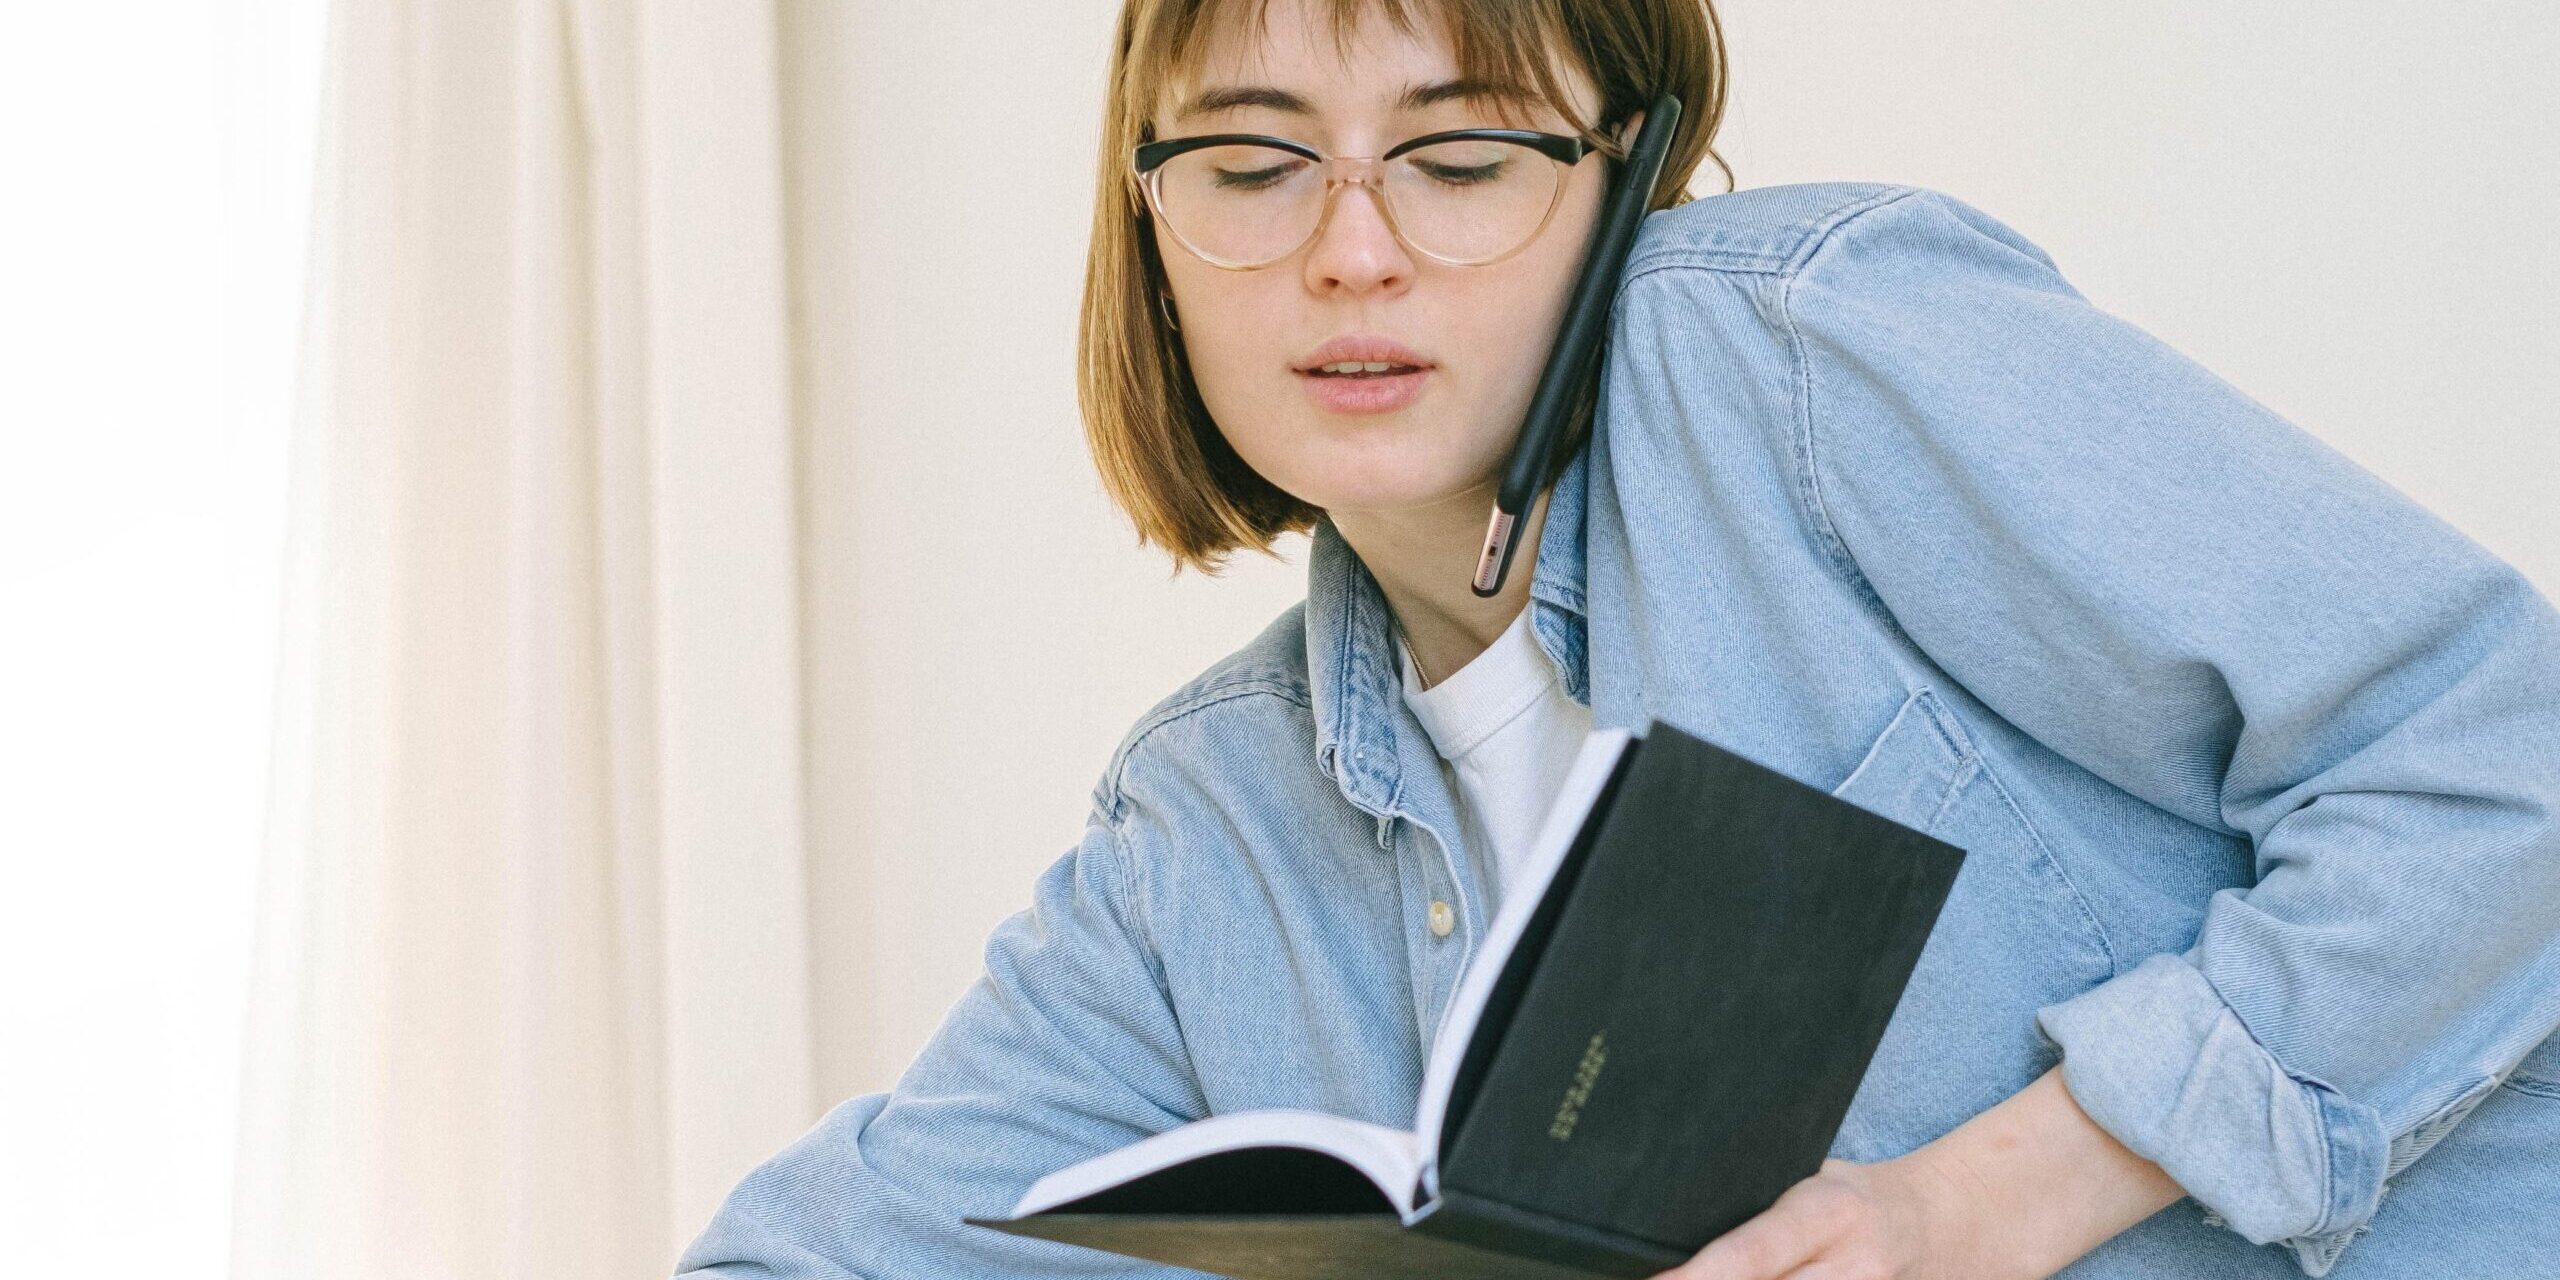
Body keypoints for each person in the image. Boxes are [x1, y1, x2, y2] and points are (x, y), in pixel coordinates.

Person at [677, 0, 2560, 1276]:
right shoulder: (1203, 844)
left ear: (1627, 173)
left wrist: (2001, 1193)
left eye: (1466, 155)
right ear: (1150, 230)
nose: (1351, 253)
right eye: (1254, 167)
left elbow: (2498, 753)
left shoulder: (1795, 361)